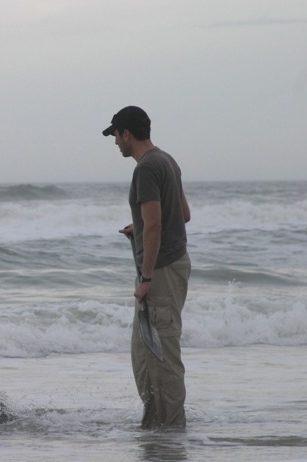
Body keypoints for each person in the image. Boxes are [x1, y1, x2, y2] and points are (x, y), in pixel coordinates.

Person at [102, 106, 191, 429]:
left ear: (127, 134)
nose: (115, 142)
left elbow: (155, 225)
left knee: (163, 356)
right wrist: (138, 227)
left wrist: (148, 277)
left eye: (115, 135)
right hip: (171, 265)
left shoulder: (147, 169)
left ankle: (172, 433)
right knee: (144, 356)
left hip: (161, 272)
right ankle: (155, 427)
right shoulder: (166, 160)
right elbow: (182, 214)